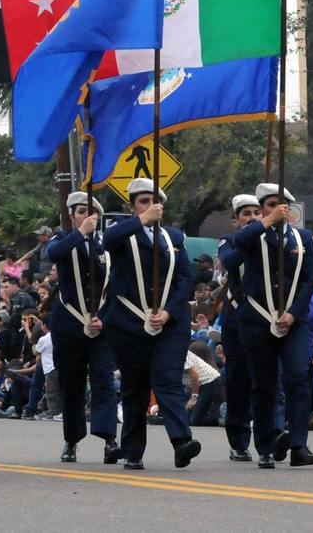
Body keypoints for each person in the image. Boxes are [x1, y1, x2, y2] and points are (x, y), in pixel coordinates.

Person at [101, 178, 200, 471]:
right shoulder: (122, 235)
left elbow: (185, 279)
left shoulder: (174, 238)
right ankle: (132, 451)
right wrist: (142, 220)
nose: (150, 206)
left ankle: (181, 442)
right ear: (132, 207)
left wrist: (169, 312)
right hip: (129, 322)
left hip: (169, 324)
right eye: (142, 202)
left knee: (168, 380)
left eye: (153, 201)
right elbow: (108, 240)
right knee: (135, 388)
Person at [235, 183, 313, 468]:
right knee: (263, 385)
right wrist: (266, 221)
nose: (279, 208)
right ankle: (266, 448)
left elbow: (309, 280)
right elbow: (239, 242)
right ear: (262, 209)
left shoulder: (303, 238)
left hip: (293, 321)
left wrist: (295, 314)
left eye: (283, 203)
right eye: (271, 204)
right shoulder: (253, 235)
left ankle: (299, 445)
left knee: (298, 378)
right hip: (257, 319)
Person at [46, 191, 121, 465]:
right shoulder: (62, 239)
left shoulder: (106, 246)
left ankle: (110, 439)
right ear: (71, 216)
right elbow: (54, 254)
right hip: (68, 324)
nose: (85, 216)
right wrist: (79, 233)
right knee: (72, 383)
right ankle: (71, 440)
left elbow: (115, 286)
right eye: (79, 211)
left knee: (103, 380)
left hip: (100, 326)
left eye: (90, 213)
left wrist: (104, 316)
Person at [215, 194, 262, 462]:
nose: (253, 218)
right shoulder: (230, 241)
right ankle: (239, 441)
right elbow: (229, 262)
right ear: (235, 220)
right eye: (247, 214)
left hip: (265, 319)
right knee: (238, 381)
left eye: (258, 213)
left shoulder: (270, 240)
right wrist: (250, 238)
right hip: (236, 319)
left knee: (268, 380)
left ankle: (272, 434)